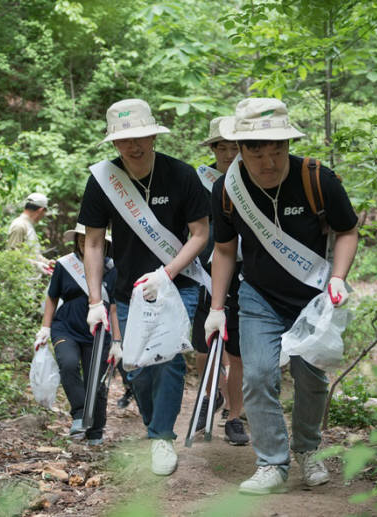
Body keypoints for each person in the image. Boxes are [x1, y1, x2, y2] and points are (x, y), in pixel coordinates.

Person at [206, 98, 359, 494]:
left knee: (311, 380)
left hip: (313, 299)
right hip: (258, 297)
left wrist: (338, 277)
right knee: (257, 376)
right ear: (240, 150)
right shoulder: (226, 190)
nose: (269, 163)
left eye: (278, 151)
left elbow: (347, 230)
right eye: (259, 154)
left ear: (288, 146)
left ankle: (308, 450)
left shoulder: (316, 178)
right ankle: (272, 463)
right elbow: (223, 249)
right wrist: (217, 308)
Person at [78, 98, 209, 476]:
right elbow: (93, 242)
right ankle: (156, 425)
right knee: (136, 367)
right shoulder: (104, 180)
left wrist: (166, 273)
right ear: (114, 143)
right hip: (129, 289)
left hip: (177, 281)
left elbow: (200, 234)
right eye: (124, 140)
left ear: (153, 135)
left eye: (140, 137)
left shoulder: (181, 175)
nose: (134, 146)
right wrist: (94, 300)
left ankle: (162, 437)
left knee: (166, 356)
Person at [33, 224, 121, 446]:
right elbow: (52, 297)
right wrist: (45, 328)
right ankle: (80, 414)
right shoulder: (65, 265)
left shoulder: (112, 268)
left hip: (99, 332)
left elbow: (114, 308)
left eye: (90, 238)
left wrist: (118, 341)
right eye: (81, 238)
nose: (85, 242)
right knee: (69, 364)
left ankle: (95, 431)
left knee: (97, 382)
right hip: (66, 327)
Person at [191, 116, 249, 445]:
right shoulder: (200, 182)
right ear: (213, 149)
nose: (228, 154)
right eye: (221, 147)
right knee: (203, 346)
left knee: (237, 351)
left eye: (234, 147)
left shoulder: (253, 181)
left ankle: (235, 415)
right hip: (205, 273)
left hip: (244, 274)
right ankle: (210, 396)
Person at [7, 192, 54, 275]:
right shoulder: (19, 225)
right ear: (41, 210)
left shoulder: (28, 225)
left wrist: (47, 262)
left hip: (30, 283)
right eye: (44, 212)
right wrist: (36, 265)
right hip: (20, 283)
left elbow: (32, 255)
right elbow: (12, 256)